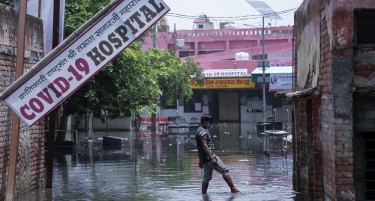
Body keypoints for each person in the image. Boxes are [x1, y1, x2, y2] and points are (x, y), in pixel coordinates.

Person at [195, 114, 240, 194]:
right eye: (209, 122)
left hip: (205, 159)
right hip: (210, 157)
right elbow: (205, 146)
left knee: (206, 177)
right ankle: (233, 189)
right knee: (224, 171)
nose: (210, 124)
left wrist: (201, 160)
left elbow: (199, 148)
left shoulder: (198, 131)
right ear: (205, 121)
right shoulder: (203, 132)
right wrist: (212, 158)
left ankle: (203, 195)